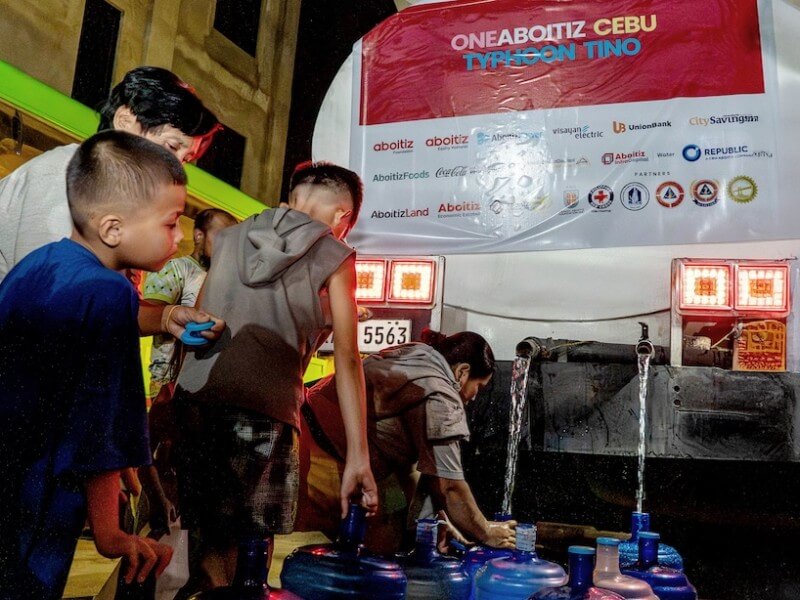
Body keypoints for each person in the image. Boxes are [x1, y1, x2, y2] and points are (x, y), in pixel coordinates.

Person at [172, 161, 378, 594]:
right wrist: (358, 456)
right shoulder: (336, 254)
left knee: (209, 536)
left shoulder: (227, 239)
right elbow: (348, 358)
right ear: (343, 216)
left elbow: (201, 324)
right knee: (252, 544)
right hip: (265, 411)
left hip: (196, 401)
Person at [0, 130, 188, 600]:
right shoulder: (110, 293)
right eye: (171, 223)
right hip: (40, 490)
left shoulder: (39, 262)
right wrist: (109, 531)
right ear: (112, 229)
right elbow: (97, 424)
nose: (181, 239)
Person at [0, 65, 224, 342]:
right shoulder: (61, 176)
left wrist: (166, 317)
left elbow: (112, 307)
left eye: (186, 159)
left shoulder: (123, 207)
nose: (176, 166)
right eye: (171, 147)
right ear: (125, 121)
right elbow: (51, 304)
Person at [295, 329, 518, 555]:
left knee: (393, 525)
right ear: (462, 372)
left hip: (304, 432)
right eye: (478, 388)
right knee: (375, 553)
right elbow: (450, 488)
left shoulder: (416, 354)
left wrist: (436, 521)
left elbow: (430, 478)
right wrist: (487, 532)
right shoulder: (440, 393)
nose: (474, 398)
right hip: (320, 457)